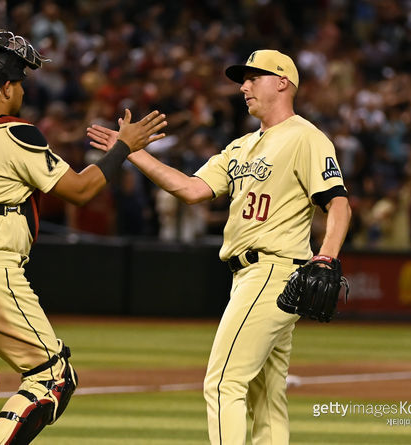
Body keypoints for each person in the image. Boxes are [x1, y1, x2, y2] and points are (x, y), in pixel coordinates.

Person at [88, 49, 351, 444]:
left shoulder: (306, 137)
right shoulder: (240, 147)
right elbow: (192, 189)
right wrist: (131, 153)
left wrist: (326, 256)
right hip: (250, 275)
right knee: (266, 396)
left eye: (253, 77)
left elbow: (339, 203)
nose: (243, 86)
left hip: (274, 271)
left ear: (283, 82)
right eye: (242, 79)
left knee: (224, 382)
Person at [0, 29, 166, 445]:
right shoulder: (17, 134)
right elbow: (82, 190)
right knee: (52, 377)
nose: (22, 89)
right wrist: (123, 147)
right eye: (19, 82)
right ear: (4, 87)